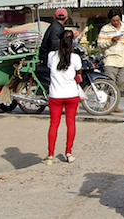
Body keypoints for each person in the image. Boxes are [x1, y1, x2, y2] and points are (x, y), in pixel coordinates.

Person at [45, 29, 81, 164]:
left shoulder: (51, 56)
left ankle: (50, 155)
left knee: (54, 124)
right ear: (72, 42)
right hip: (71, 94)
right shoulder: (75, 58)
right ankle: (68, 153)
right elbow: (78, 73)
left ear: (59, 41)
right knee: (70, 123)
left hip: (55, 95)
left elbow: (50, 69)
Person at [96, 8, 124, 113]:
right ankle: (108, 104)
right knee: (109, 84)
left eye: (117, 20)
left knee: (121, 84)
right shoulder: (105, 29)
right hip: (110, 60)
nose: (116, 23)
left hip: (123, 60)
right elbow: (100, 45)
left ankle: (115, 105)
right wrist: (111, 41)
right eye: (113, 21)